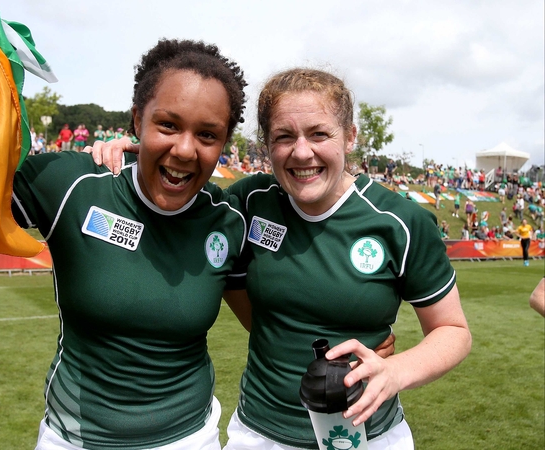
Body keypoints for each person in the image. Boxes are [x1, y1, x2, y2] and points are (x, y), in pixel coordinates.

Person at [90, 68, 471, 449]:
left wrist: (394, 370)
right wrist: (139, 151)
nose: (302, 152)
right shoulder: (248, 203)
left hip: (368, 437)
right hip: (258, 434)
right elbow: (176, 190)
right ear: (266, 145)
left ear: (350, 136)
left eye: (319, 133)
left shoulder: (401, 223)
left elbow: (453, 332)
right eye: (283, 137)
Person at [0, 10, 253, 448]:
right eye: (168, 125)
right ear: (137, 119)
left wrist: (379, 357)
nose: (184, 150)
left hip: (190, 439)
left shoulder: (229, 218)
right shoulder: (73, 183)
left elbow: (274, 324)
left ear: (224, 143)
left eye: (208, 135)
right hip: (75, 440)